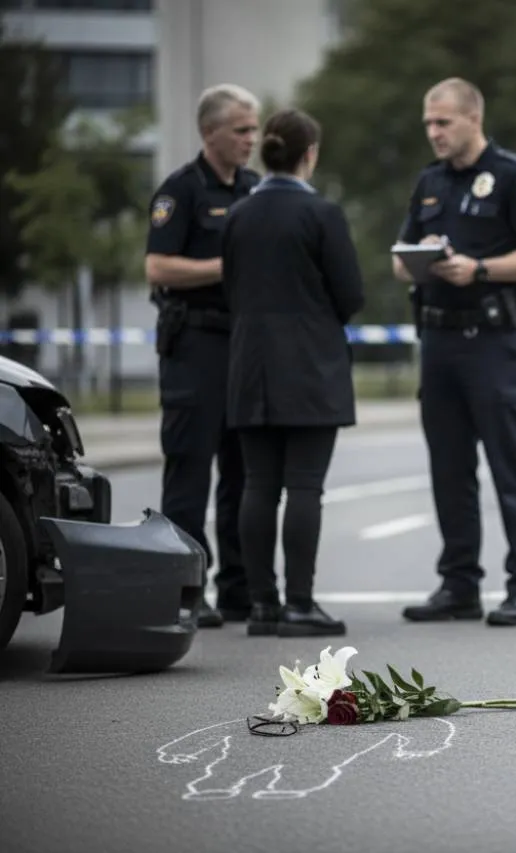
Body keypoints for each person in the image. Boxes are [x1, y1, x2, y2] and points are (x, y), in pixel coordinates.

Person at [392, 77, 516, 627]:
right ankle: (458, 584)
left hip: (492, 341)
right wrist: (425, 258)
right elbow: (398, 260)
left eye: (442, 122)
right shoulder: (430, 182)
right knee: (449, 468)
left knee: (510, 465)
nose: (433, 133)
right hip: (438, 341)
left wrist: (480, 269)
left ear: (472, 119)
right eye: (428, 124)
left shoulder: (512, 176)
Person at [219, 108, 365, 638]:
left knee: (258, 486)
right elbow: (350, 295)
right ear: (310, 154)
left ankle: (262, 604)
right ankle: (300, 605)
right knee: (304, 487)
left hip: (250, 364)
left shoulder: (237, 214)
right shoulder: (322, 215)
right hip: (308, 364)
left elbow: (231, 288)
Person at [144, 84, 261, 628]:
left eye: (254, 129)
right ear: (209, 132)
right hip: (195, 344)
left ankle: (240, 587)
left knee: (243, 471)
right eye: (240, 130)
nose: (251, 139)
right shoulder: (181, 191)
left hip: (244, 346)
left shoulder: (256, 189)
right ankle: (187, 588)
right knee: (190, 471)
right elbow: (159, 267)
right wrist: (227, 267)